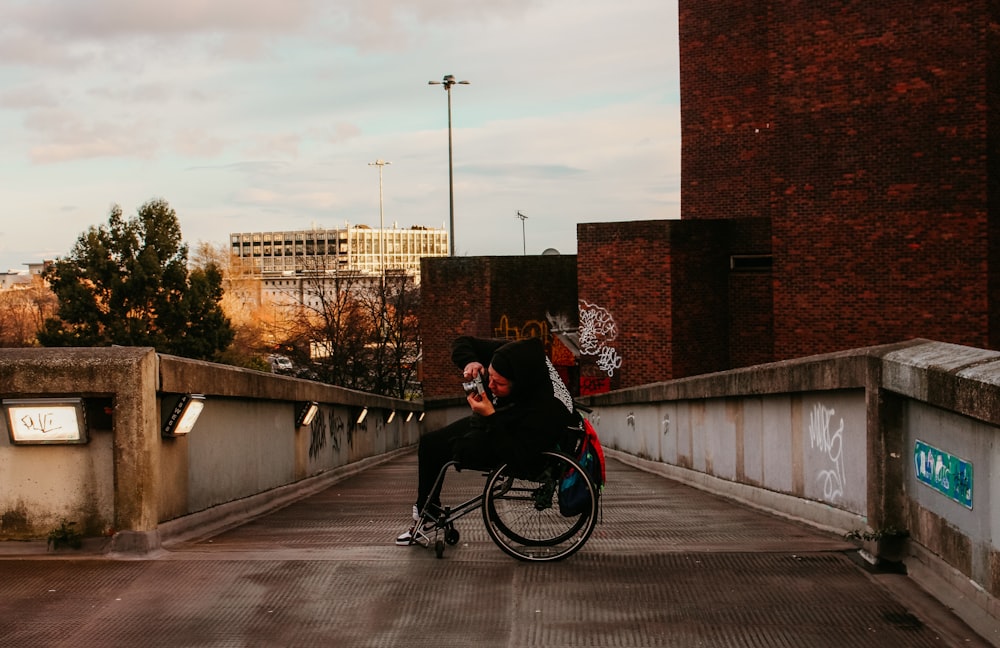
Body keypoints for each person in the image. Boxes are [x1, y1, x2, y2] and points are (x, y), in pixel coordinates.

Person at [395, 335, 576, 545]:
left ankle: (426, 516)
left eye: (498, 383)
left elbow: (519, 456)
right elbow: (462, 342)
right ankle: (428, 511)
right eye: (489, 375)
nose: (489, 385)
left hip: (515, 441)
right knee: (430, 443)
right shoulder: (511, 357)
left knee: (438, 448)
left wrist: (490, 415)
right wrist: (471, 362)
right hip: (506, 425)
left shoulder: (547, 407)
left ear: (520, 383)